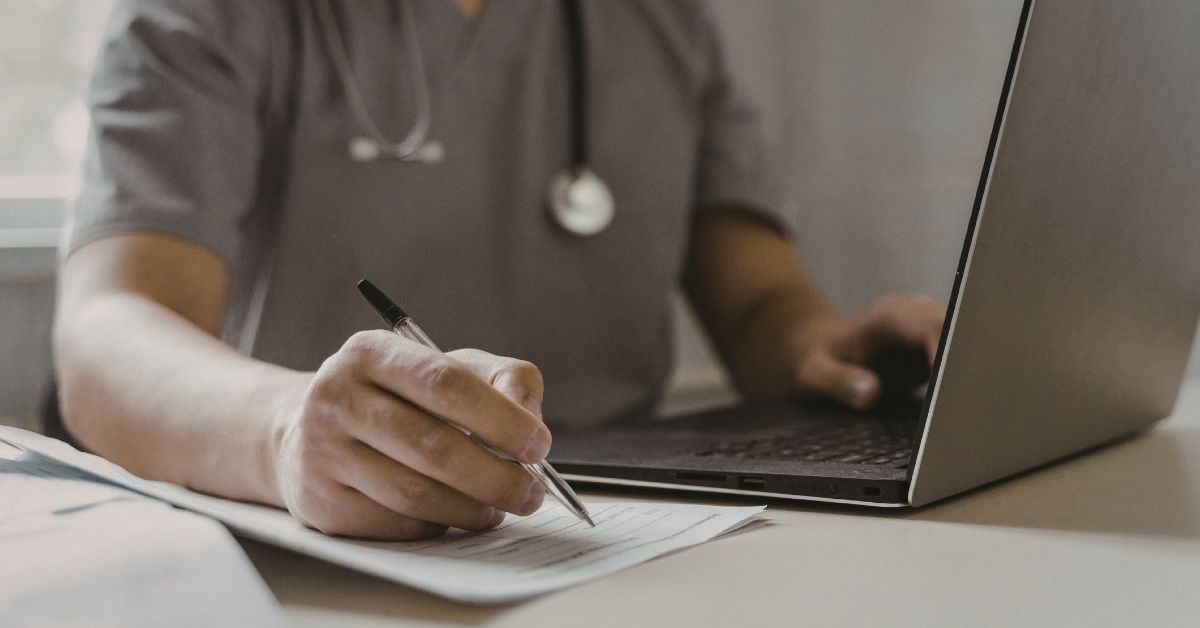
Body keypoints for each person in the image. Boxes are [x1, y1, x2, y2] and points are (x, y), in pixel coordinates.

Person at [54, 0, 945, 540]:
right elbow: (105, 339)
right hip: (343, 553)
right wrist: (287, 431)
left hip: (641, 541)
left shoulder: (663, 19)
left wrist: (824, 352)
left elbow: (761, 305)